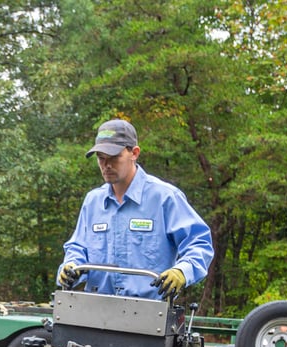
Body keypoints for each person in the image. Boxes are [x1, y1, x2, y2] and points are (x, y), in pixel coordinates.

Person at [59, 119, 213, 300]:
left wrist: (182, 271)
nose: (106, 164)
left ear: (134, 153)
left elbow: (199, 243)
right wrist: (71, 266)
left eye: (114, 157)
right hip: (96, 311)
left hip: (150, 314)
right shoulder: (93, 202)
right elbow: (78, 247)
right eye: (101, 158)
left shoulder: (164, 198)